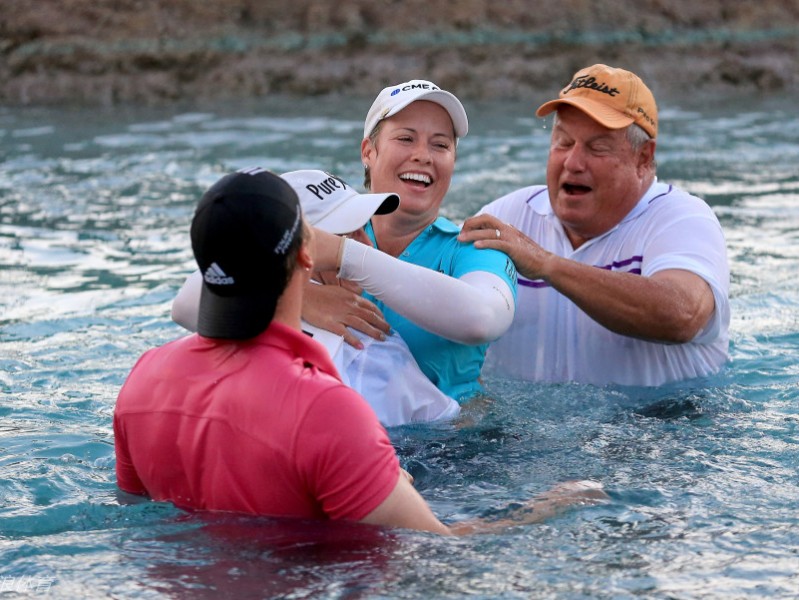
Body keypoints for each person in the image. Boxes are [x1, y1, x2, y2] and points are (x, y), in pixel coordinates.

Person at [114, 167, 607, 532]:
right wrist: (556, 504)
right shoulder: (326, 408)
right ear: (310, 253)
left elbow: (139, 521)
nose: (362, 241)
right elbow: (440, 550)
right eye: (345, 234)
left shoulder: (144, 379)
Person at [459, 64, 730, 387]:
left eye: (597, 147)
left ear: (644, 158)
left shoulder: (682, 218)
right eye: (562, 142)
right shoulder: (510, 215)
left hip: (662, 427)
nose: (573, 162)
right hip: (523, 435)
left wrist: (547, 264)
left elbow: (682, 316)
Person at [171, 169, 461, 427]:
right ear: (306, 251)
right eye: (343, 238)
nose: (367, 247)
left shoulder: (221, 329)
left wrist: (300, 294)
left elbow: (185, 303)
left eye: (364, 229)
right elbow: (447, 427)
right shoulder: (371, 347)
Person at [303, 80, 518, 402]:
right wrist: (297, 296)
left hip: (447, 446)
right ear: (368, 152)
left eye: (440, 145)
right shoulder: (322, 222)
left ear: (453, 162)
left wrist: (344, 257)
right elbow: (203, 299)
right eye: (406, 138)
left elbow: (483, 320)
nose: (423, 156)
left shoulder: (475, 249)